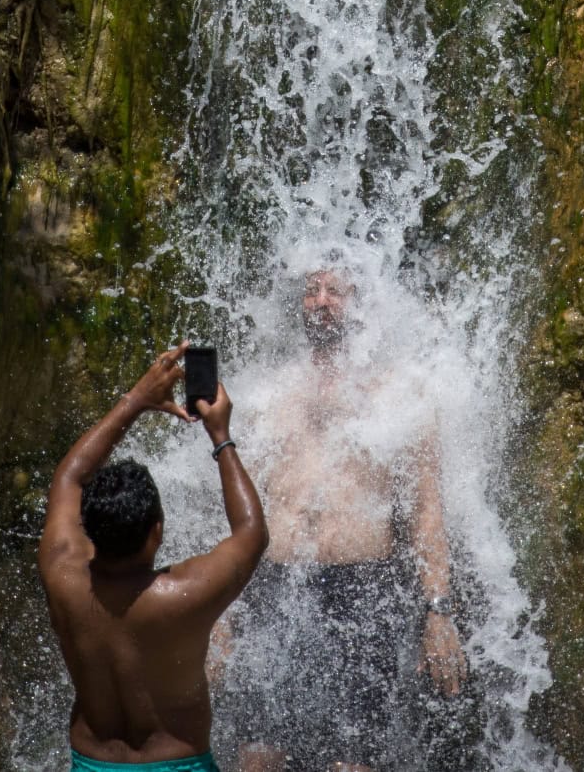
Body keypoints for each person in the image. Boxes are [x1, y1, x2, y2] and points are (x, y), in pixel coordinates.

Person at [223, 269, 467, 772]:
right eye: (312, 291)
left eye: (336, 290)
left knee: (352, 762)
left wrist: (438, 611)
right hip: (275, 584)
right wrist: (218, 615)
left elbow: (425, 511)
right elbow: (236, 510)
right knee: (257, 757)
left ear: (362, 304)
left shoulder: (400, 396)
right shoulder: (268, 393)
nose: (322, 301)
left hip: (364, 590)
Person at [40, 343, 269, 772]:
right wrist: (221, 437)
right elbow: (252, 533)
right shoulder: (182, 595)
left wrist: (137, 400)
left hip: (93, 763)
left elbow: (69, 477)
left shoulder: (62, 576)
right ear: (157, 532)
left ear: (86, 529)